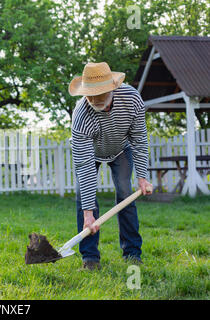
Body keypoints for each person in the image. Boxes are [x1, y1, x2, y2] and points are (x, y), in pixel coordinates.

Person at [68, 62, 153, 270]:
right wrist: (89, 214)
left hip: (121, 149)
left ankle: (132, 253)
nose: (96, 102)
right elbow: (84, 165)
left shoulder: (132, 99)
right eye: (91, 97)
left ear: (113, 89)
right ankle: (90, 259)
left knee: (125, 193)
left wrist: (142, 177)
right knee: (84, 199)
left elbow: (139, 140)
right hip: (91, 153)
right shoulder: (80, 117)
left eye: (101, 98)